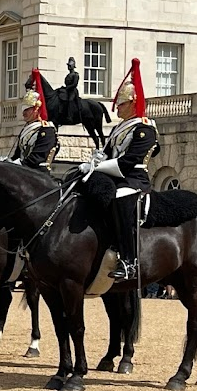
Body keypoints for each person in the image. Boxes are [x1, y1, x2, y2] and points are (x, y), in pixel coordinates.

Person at [80, 58, 159, 280]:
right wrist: (92, 162)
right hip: (114, 174)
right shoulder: (118, 128)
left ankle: (129, 261)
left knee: (119, 198)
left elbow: (129, 161)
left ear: (134, 103)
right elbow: (106, 151)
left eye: (122, 104)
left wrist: (98, 167)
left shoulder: (144, 128)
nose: (117, 108)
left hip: (133, 179)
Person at [8, 70, 59, 172]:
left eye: (27, 109)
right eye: (23, 110)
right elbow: (18, 154)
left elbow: (38, 157)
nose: (24, 113)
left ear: (36, 109)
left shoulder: (46, 130)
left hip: (37, 174)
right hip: (23, 171)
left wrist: (18, 164)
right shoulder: (26, 129)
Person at [55, 56, 82, 126]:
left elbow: (74, 84)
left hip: (72, 91)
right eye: (68, 65)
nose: (69, 67)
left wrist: (67, 88)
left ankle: (70, 117)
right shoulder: (68, 75)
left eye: (70, 65)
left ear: (73, 66)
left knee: (70, 100)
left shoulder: (76, 75)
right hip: (67, 90)